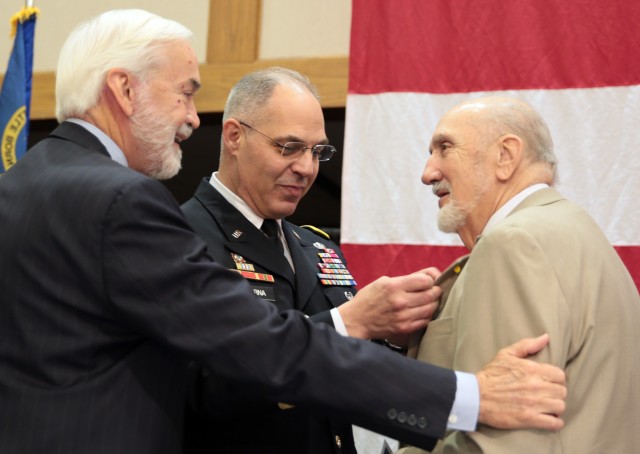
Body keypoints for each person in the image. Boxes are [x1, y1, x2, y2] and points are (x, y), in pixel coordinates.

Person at [0, 10, 567, 454]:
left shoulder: (21, 185)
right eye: (187, 90)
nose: (194, 117)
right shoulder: (127, 203)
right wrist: (469, 396)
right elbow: (263, 350)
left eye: (315, 151)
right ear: (124, 90)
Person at [181, 67, 431, 453]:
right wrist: (350, 323)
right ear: (234, 136)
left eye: (318, 151)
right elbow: (203, 387)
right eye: (289, 147)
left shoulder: (318, 248)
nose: (307, 168)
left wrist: (392, 338)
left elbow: (353, 370)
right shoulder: (181, 236)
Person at [399, 96, 640, 453]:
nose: (428, 172)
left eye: (445, 148)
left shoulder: (514, 243)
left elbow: (501, 442)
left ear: (506, 156)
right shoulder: (574, 229)